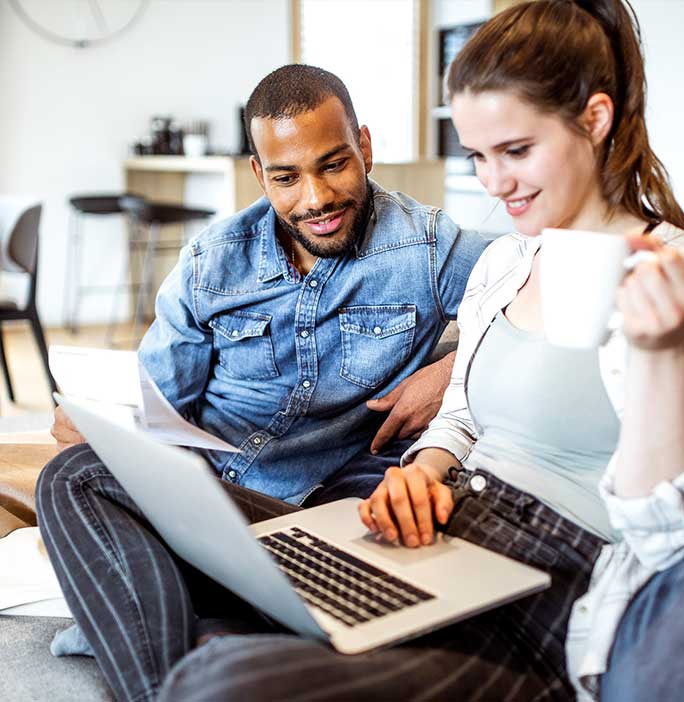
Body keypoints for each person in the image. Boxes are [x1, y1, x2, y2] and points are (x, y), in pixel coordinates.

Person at [129, 1, 684, 700]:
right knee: (92, 485)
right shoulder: (508, 266)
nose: (493, 185)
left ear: (595, 119)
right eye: (478, 157)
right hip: (440, 541)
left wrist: (658, 358)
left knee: (221, 680)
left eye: (516, 152)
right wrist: (423, 471)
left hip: (545, 596)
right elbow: (462, 421)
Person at [36, 64, 487, 701]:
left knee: (411, 538)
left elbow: (537, 278)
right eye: (286, 176)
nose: (316, 198)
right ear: (258, 173)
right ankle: (197, 651)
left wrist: (450, 369)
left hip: (334, 518)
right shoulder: (210, 264)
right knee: (74, 475)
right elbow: (155, 408)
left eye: (335, 164)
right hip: (219, 513)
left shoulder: (424, 245)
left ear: (365, 145)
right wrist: (101, 425)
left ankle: (165, 634)